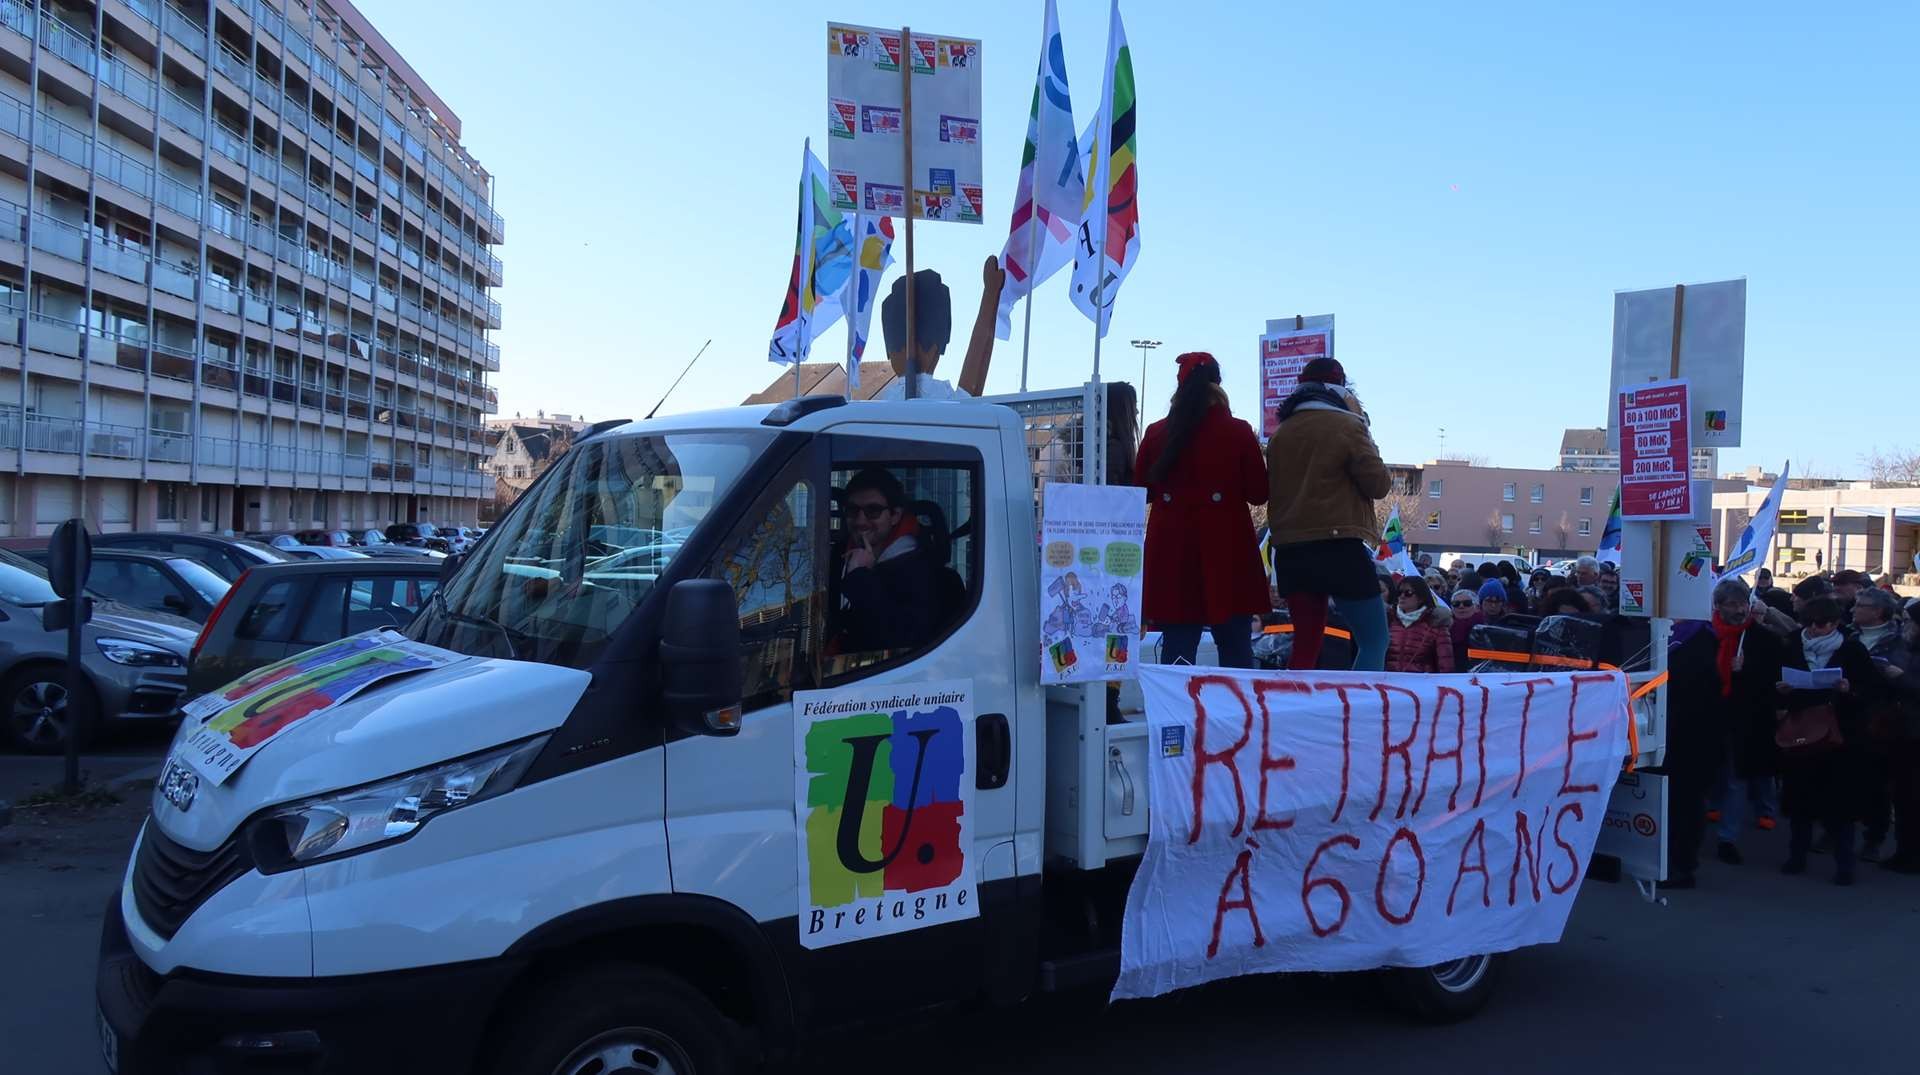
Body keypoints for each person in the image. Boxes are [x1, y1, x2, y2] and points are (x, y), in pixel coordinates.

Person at [1134, 352, 1270, 668]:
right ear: (1217, 384)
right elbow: (1259, 494)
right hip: (1228, 549)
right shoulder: (1238, 430)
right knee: (1236, 647)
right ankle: (1238, 714)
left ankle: (1176, 714)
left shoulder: (1156, 432)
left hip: (1173, 551)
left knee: (1178, 649)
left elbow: (1141, 491)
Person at [1265, 357, 1392, 671]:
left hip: (1291, 549)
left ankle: (1294, 710)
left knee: (1306, 645)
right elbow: (1378, 484)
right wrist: (1366, 433)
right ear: (1341, 389)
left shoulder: (1282, 433)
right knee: (1375, 640)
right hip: (1338, 546)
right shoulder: (1348, 426)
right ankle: (1361, 712)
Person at [1664, 578, 1784, 886]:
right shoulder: (1700, 636)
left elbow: (1773, 683)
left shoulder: (1762, 640)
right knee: (1708, 785)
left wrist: (1747, 672)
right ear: (1717, 607)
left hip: (1741, 721)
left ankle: (1726, 839)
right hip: (1701, 724)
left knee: (1734, 781)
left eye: (1742, 603)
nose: (1738, 609)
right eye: (1731, 604)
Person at [1777, 596, 1880, 884]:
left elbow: (1873, 690)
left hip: (1840, 737)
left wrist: (1850, 690)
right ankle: (1796, 856)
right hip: (1800, 731)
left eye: (1820, 624)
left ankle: (1844, 865)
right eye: (1808, 623)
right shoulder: (1792, 642)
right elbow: (1774, 679)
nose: (1813, 629)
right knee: (1799, 803)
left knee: (1840, 806)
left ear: (1835, 624)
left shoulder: (1852, 649)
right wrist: (1782, 690)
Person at [832, 468, 940, 653]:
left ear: (895, 515)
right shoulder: (839, 554)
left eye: (873, 510)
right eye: (852, 510)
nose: (860, 520)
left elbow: (902, 638)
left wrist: (860, 577)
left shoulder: (920, 569)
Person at [876, 258, 1004, 400]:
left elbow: (974, 376)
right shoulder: (942, 399)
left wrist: (990, 295)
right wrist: (990, 295)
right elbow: (974, 377)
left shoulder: (880, 404)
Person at [1850, 586, 1905, 862]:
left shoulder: (1899, 641)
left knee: (1876, 781)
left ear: (1878, 611)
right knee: (1843, 776)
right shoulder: (1848, 634)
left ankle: (1874, 835)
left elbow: (1903, 679)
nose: (1854, 608)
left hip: (1880, 717)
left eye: (1861, 605)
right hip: (1847, 710)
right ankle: (1839, 828)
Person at [1884, 600, 1920, 873]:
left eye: (1910, 621)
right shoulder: (1904, 646)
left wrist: (1901, 678)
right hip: (1902, 731)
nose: (1905, 625)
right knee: (1903, 796)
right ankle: (1904, 851)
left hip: (1915, 732)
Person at [1386, 576, 1454, 673]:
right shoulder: (1388, 620)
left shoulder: (1436, 623)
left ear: (1421, 597)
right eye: (1399, 592)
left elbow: (1446, 665)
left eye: (1408, 593)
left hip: (1422, 686)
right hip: (1387, 685)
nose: (1402, 596)